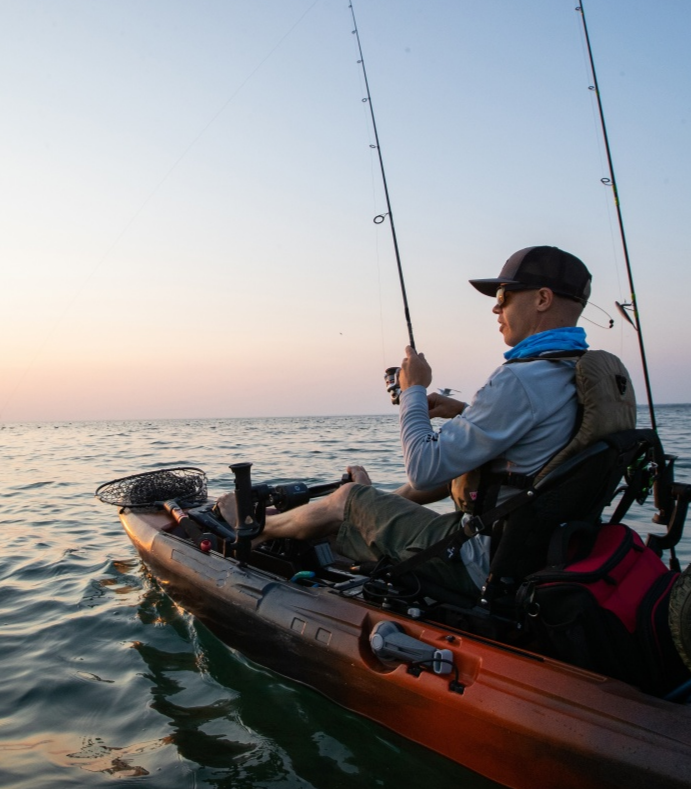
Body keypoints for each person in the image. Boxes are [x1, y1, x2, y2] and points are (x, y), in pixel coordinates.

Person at [217, 245, 593, 599]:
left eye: (503, 296)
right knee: (454, 471)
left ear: (542, 299)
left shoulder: (521, 378)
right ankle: (367, 507)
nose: (496, 308)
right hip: (540, 549)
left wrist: (413, 390)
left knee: (348, 497)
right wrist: (463, 410)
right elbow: (541, 439)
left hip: (481, 558)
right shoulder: (577, 373)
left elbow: (423, 472)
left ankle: (258, 529)